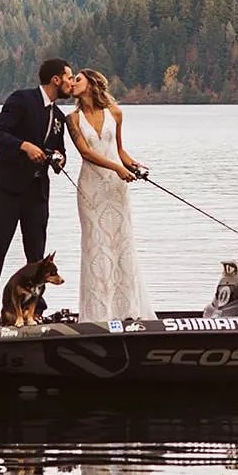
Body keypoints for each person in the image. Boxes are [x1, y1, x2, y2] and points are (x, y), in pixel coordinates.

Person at [0, 58, 74, 326]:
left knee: (37, 255)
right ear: (56, 79)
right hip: (5, 189)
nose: (71, 82)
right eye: (69, 77)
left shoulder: (59, 117)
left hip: (37, 192)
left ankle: (35, 310)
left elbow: (60, 149)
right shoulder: (21, 99)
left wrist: (59, 158)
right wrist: (25, 146)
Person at [65, 68, 153, 322]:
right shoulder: (72, 119)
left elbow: (119, 150)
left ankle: (128, 310)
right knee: (96, 245)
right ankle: (98, 314)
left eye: (77, 79)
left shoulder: (115, 112)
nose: (72, 83)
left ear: (91, 83)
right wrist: (117, 167)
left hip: (117, 188)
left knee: (121, 243)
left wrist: (134, 165)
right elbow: (86, 153)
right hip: (91, 188)